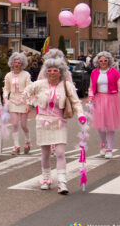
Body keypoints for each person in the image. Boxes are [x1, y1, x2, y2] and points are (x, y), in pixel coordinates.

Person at [23, 58, 85, 194]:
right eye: (49, 70)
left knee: (60, 152)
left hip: (59, 122)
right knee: (45, 153)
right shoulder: (40, 84)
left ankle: (62, 181)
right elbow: (26, 92)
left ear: (60, 72)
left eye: (55, 71)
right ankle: (46, 179)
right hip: (43, 122)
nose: (52, 73)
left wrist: (81, 115)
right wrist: (31, 103)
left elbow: (76, 102)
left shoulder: (66, 85)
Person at [88, 51, 120, 159]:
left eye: (105, 60)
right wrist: (91, 97)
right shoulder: (94, 72)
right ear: (98, 62)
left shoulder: (115, 72)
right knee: (100, 125)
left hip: (112, 99)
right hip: (99, 99)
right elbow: (91, 87)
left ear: (109, 61)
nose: (103, 62)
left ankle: (109, 148)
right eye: (101, 60)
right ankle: (103, 143)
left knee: (110, 125)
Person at [4, 52, 32, 155]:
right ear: (12, 63)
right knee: (15, 124)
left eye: (19, 62)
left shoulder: (26, 75)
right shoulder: (8, 75)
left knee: (24, 125)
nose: (17, 64)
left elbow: (29, 89)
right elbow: (6, 88)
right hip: (13, 100)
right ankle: (16, 146)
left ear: (22, 64)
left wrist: (29, 103)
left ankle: (27, 141)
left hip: (23, 100)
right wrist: (5, 97)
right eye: (15, 62)